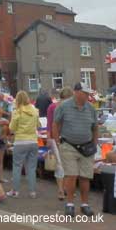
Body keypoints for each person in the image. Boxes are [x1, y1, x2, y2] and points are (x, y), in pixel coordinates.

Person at [52, 82, 98, 217]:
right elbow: (56, 124)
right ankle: (70, 204)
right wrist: (57, 142)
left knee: (85, 176)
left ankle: (85, 204)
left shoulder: (90, 108)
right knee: (71, 175)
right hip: (69, 145)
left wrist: (94, 145)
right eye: (85, 93)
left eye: (88, 94)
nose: (87, 96)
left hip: (87, 147)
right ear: (76, 92)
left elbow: (95, 127)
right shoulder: (64, 106)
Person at [7, 91, 40, 198]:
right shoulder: (35, 110)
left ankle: (15, 191)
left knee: (17, 166)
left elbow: (11, 128)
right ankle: (32, 192)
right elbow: (38, 125)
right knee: (31, 167)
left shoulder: (17, 112)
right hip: (33, 141)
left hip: (20, 141)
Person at [46, 86, 73, 200]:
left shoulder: (53, 106)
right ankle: (63, 190)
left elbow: (49, 123)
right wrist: (49, 137)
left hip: (60, 138)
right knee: (64, 164)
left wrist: (48, 137)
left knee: (63, 164)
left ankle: (64, 189)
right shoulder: (56, 107)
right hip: (60, 138)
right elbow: (50, 123)